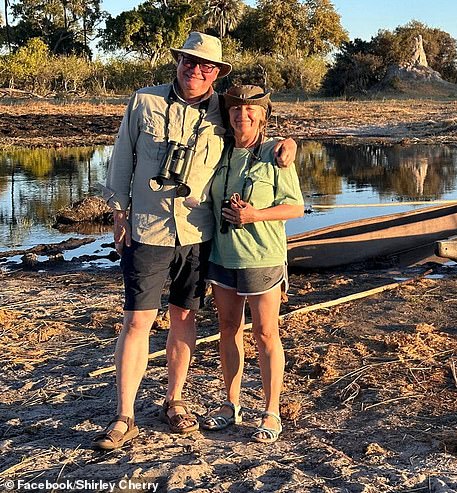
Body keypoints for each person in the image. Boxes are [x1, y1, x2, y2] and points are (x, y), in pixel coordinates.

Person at [93, 33, 297, 450]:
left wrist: (290, 144)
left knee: (184, 318)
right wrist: (118, 213)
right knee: (136, 321)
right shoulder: (144, 101)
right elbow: (121, 158)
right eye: (190, 61)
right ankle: (124, 416)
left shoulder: (222, 110)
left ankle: (175, 400)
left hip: (198, 233)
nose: (197, 70)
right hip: (147, 228)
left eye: (207, 66)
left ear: (217, 73)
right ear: (178, 62)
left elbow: (257, 128)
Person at [201, 85, 304, 444]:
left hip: (263, 258)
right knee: (228, 329)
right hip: (222, 257)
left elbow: (296, 208)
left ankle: (271, 411)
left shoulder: (275, 155)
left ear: (262, 116)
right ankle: (230, 405)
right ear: (228, 115)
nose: (242, 116)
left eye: (250, 111)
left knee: (265, 333)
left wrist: (255, 215)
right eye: (236, 110)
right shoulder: (218, 152)